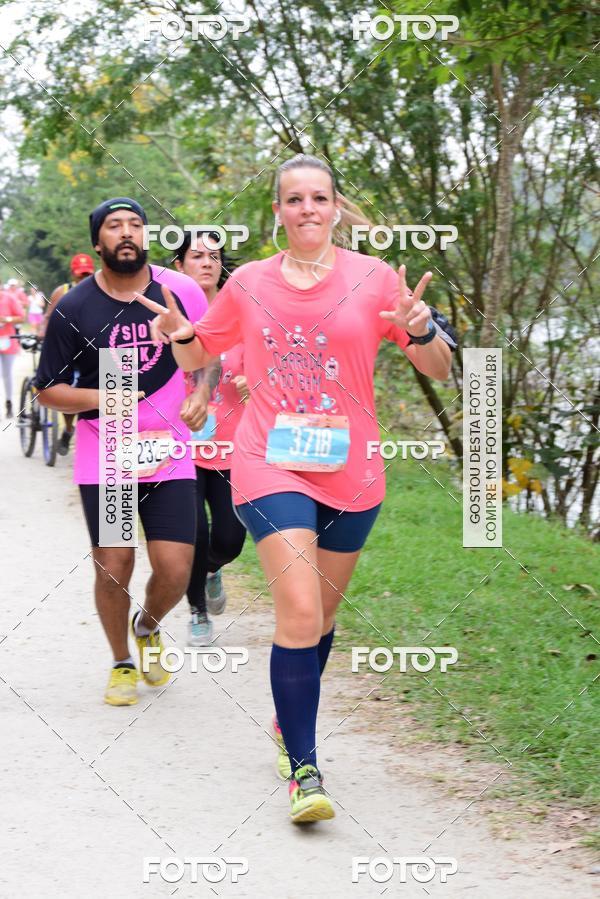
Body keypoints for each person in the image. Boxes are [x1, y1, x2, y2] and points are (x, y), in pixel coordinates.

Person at [135, 154, 453, 824]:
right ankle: (305, 770)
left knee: (323, 619)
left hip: (353, 471)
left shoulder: (375, 279)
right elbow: (200, 353)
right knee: (301, 613)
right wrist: (182, 334)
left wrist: (421, 327)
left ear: (335, 207)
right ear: (277, 212)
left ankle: (289, 718)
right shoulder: (249, 282)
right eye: (294, 199)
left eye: (319, 197)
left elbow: (440, 369)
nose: (307, 208)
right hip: (268, 462)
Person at [35, 197, 215, 707]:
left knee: (176, 568)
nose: (127, 232)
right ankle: (120, 662)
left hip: (169, 450)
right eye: (114, 226)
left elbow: (209, 351)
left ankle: (147, 627)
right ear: (98, 243)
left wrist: (202, 392)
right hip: (108, 452)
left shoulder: (179, 290)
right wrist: (106, 398)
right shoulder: (74, 307)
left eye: (136, 224)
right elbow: (47, 390)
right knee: (114, 565)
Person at [173, 230, 248, 645]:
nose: (206, 263)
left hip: (233, 444)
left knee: (230, 538)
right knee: (194, 535)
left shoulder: (241, 310)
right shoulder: (168, 314)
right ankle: (198, 611)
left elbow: (268, 357)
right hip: (180, 446)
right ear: (180, 265)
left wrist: (256, 379)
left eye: (214, 256)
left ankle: (212, 568)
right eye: (196, 256)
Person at [40, 253, 96, 455]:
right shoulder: (62, 292)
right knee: (68, 385)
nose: (84, 278)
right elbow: (49, 317)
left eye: (87, 274)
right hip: (68, 349)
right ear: (73, 274)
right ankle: (69, 429)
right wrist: (43, 335)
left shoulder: (101, 290)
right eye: (80, 275)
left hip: (92, 348)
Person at [0, 282, 26, 417]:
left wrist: (7, 319)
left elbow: (21, 317)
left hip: (7, 340)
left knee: (6, 374)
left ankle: (9, 402)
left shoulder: (9, 298)